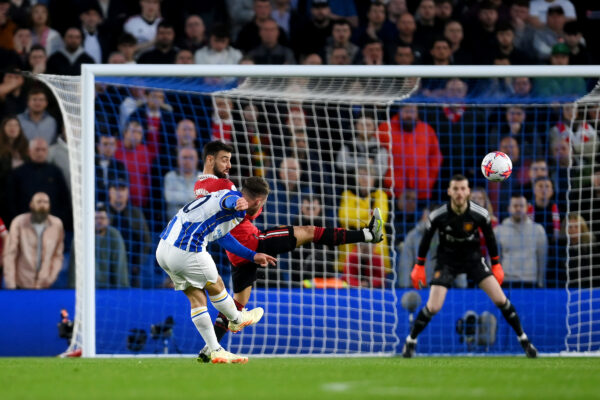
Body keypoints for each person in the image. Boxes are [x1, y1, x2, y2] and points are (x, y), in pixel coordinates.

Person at [196, 141, 384, 362]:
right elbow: (235, 204)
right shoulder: (224, 186)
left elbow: (231, 215)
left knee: (235, 306)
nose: (228, 165)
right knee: (310, 231)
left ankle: (210, 349)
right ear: (210, 159)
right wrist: (248, 202)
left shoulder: (200, 187)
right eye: (224, 159)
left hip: (237, 256)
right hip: (257, 243)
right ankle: (368, 234)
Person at [402, 174, 538, 358]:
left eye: (463, 188)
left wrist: (496, 265)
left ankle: (525, 341)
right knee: (433, 307)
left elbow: (490, 239)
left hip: (473, 259)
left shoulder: (479, 214)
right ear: (449, 191)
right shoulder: (438, 215)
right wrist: (419, 266)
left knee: (500, 300)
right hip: (447, 260)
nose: (459, 192)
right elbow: (425, 241)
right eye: (455, 189)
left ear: (468, 191)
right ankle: (411, 341)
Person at [155, 172, 277, 364]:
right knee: (217, 284)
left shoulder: (220, 196)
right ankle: (237, 319)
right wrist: (237, 204)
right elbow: (229, 201)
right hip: (187, 249)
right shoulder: (234, 200)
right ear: (259, 201)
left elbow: (222, 236)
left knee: (197, 297)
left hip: (163, 249)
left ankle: (216, 350)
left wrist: (252, 255)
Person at [3, 192, 64, 289]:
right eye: (39, 202)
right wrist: (11, 283)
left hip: (45, 283)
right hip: (21, 282)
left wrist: (51, 277)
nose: (42, 205)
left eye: (45, 202)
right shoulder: (19, 222)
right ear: (31, 204)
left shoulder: (57, 224)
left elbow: (58, 255)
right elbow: (10, 254)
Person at [494, 194, 547, 288]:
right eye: (515, 206)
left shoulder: (538, 230)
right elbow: (495, 260)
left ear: (527, 208)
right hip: (506, 282)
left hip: (530, 281)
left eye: (521, 206)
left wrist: (540, 282)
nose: (518, 209)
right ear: (509, 208)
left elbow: (542, 258)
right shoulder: (498, 231)